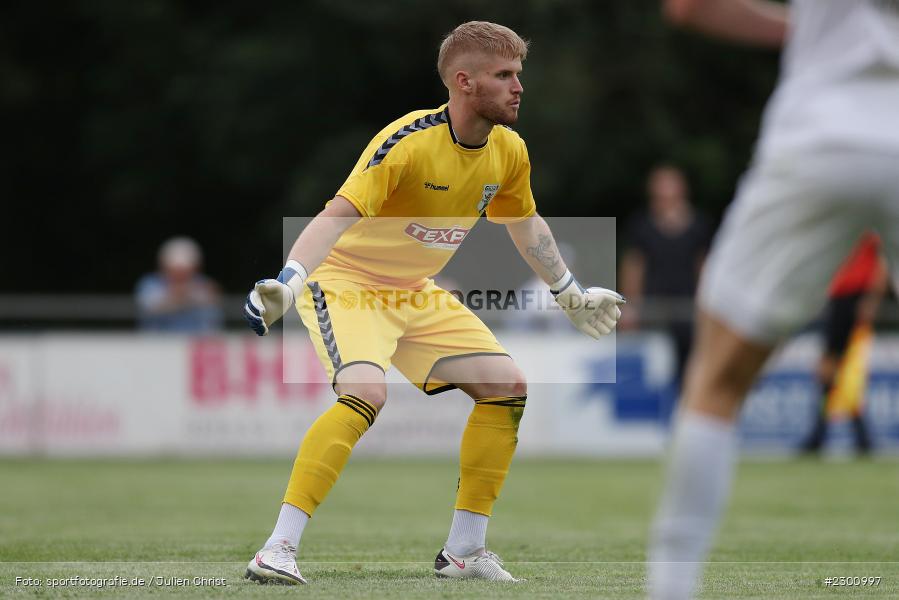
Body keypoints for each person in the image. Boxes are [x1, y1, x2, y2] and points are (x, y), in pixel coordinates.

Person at [242, 21, 624, 585]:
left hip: (416, 292)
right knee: (366, 394)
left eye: (519, 74)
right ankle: (276, 549)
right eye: (505, 75)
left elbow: (523, 221)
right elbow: (337, 214)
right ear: (465, 83)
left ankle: (464, 553)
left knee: (507, 387)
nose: (519, 86)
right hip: (349, 285)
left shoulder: (508, 150)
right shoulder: (408, 141)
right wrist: (292, 278)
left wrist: (568, 292)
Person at [648, 2, 899, 599]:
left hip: (823, 130)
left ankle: (672, 589)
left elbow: (689, 6)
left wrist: (804, 31)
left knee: (715, 380)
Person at [620, 165, 712, 383]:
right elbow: (634, 267)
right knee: (655, 372)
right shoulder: (641, 227)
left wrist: (707, 304)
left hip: (688, 310)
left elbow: (704, 267)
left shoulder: (699, 226)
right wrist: (630, 305)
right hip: (653, 312)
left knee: (690, 371)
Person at [800, 232, 887, 455]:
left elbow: (882, 261)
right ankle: (850, 435)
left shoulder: (869, 224)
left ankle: (827, 434)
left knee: (842, 367)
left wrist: (871, 298)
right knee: (832, 368)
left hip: (854, 296)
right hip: (838, 296)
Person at [135, 236, 222, 332]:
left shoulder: (205, 284)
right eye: (175, 270)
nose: (179, 275)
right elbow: (149, 307)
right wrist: (182, 296)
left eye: (185, 271)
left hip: (194, 340)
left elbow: (212, 316)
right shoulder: (149, 283)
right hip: (157, 343)